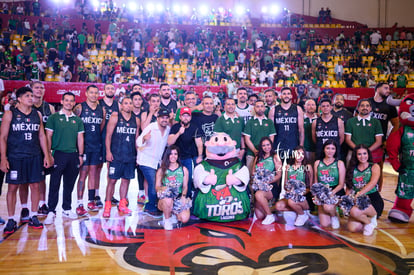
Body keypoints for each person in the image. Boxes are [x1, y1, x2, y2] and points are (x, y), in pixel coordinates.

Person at [1, 87, 52, 234]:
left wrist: (47, 155)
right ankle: (11, 219)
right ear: (20, 99)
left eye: (32, 95)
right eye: (27, 96)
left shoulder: (37, 114)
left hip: (34, 155)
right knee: (12, 188)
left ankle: (33, 215)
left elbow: (42, 136)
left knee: (35, 186)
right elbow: (3, 137)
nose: (31, 98)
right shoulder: (10, 114)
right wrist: (3, 158)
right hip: (16, 156)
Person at [44, 92, 85, 225]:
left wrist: (80, 155)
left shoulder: (77, 120)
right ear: (61, 101)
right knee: (54, 183)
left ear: (74, 103)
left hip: (73, 155)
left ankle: (67, 208)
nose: (69, 103)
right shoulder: (54, 118)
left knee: (69, 183)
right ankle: (51, 211)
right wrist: (49, 154)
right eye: (66, 100)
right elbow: (48, 136)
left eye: (71, 101)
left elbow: (80, 138)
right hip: (58, 153)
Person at [18, 81, 55, 217]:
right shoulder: (23, 106)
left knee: (41, 178)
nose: (39, 90)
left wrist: (49, 152)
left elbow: (52, 130)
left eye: (41, 88)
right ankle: (24, 207)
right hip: (25, 147)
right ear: (31, 90)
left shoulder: (49, 108)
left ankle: (42, 203)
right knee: (24, 180)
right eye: (36, 88)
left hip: (43, 148)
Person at [103, 97, 139, 218]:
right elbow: (108, 136)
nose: (128, 105)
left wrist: (137, 155)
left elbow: (136, 139)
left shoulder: (136, 120)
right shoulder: (115, 117)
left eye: (130, 103)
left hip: (130, 156)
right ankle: (107, 205)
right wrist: (108, 152)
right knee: (112, 180)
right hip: (116, 155)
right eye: (126, 103)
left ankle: (122, 204)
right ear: (121, 105)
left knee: (126, 180)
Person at [73, 85, 105, 216]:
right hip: (83, 147)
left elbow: (101, 127)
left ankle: (91, 200)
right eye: (91, 92)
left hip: (96, 146)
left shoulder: (101, 110)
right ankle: (79, 203)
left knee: (93, 173)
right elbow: (74, 127)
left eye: (96, 93)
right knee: (83, 174)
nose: (94, 95)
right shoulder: (79, 108)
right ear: (86, 93)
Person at [136, 108, 171, 216]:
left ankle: (155, 204)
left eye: (166, 118)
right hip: (145, 161)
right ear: (157, 118)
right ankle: (150, 207)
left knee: (156, 183)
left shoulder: (168, 129)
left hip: (157, 162)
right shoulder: (151, 127)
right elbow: (138, 141)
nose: (164, 120)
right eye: (162, 118)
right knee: (153, 183)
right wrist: (144, 139)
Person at [345, 144, 383, 236]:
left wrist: (359, 193)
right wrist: (345, 202)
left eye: (364, 153)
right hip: (358, 200)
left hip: (373, 200)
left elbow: (373, 183)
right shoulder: (352, 169)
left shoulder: (374, 167)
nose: (362, 156)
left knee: (354, 211)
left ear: (368, 154)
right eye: (359, 154)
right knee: (353, 228)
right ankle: (365, 218)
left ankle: (370, 222)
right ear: (356, 156)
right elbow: (349, 188)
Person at [368, 83, 399, 190]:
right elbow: (355, 119)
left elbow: (397, 124)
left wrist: (389, 139)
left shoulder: (390, 106)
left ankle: (378, 195)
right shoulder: (367, 103)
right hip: (364, 141)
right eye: (385, 88)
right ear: (377, 89)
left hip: (379, 143)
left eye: (389, 88)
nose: (388, 90)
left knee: (378, 169)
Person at [167, 107, 203, 198]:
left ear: (190, 117)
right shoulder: (175, 127)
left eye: (188, 116)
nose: (186, 118)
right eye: (184, 116)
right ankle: (175, 197)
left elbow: (199, 143)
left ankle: (187, 198)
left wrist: (200, 156)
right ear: (180, 117)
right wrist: (179, 133)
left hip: (188, 157)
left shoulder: (194, 127)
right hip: (176, 158)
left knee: (188, 178)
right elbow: (169, 142)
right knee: (175, 178)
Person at [276, 146, 313, 226]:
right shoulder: (288, 167)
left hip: (304, 196)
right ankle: (299, 210)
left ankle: (302, 214)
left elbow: (310, 187)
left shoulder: (308, 167)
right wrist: (290, 191)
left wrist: (299, 194)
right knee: (278, 206)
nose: (300, 156)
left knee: (291, 201)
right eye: (298, 153)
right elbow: (285, 186)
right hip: (292, 195)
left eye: (302, 154)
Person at [155, 145, 190, 230]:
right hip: (165, 198)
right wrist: (163, 189)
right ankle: (167, 219)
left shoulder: (183, 169)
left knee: (184, 218)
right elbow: (157, 187)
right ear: (167, 155)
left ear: (178, 156)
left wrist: (183, 196)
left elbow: (185, 186)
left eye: (175, 154)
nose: (173, 156)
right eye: (171, 154)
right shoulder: (161, 170)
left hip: (177, 198)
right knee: (168, 199)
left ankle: (173, 213)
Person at [313, 139, 346, 229]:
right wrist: (317, 194)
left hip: (335, 190)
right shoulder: (317, 163)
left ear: (336, 150)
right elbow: (316, 182)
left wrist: (331, 193)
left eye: (333, 148)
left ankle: (334, 215)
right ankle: (330, 210)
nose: (330, 151)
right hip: (322, 191)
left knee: (327, 207)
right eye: (328, 148)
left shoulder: (339, 163)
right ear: (324, 149)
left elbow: (341, 184)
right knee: (324, 224)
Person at [252, 137, 282, 224]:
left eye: (268, 145)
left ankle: (270, 215)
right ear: (261, 147)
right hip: (259, 186)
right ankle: (272, 209)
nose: (266, 147)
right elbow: (253, 172)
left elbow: (279, 175)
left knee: (258, 194)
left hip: (271, 186)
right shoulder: (258, 157)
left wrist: (266, 181)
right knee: (259, 216)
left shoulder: (275, 156)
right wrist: (258, 180)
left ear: (271, 145)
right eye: (264, 145)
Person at [98, 83, 120, 205]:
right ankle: (95, 196)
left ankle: (110, 195)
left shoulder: (118, 105)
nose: (110, 90)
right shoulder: (99, 104)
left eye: (112, 88)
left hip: (112, 141)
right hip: (99, 139)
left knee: (110, 169)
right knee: (97, 168)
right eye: (108, 88)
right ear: (104, 90)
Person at [269, 87, 304, 160]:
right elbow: (271, 132)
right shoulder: (273, 110)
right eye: (284, 94)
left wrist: (301, 146)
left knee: (292, 170)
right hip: (278, 145)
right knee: (279, 169)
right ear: (280, 96)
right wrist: (271, 147)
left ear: (291, 96)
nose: (286, 96)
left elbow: (301, 129)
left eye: (288, 94)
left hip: (294, 145)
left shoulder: (298, 109)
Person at [345, 99, 383, 164]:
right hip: (353, 152)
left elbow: (379, 141)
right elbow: (348, 139)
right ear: (358, 108)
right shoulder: (350, 121)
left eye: (367, 106)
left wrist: (366, 152)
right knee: (350, 173)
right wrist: (358, 151)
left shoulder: (376, 122)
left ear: (370, 108)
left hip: (371, 153)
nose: (365, 108)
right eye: (362, 106)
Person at [243, 100, 276, 172]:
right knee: (251, 176)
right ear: (254, 108)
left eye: (262, 106)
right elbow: (247, 139)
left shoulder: (269, 122)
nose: (260, 108)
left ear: (265, 108)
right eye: (257, 106)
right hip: (252, 154)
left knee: (266, 176)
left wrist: (266, 150)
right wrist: (255, 151)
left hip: (267, 155)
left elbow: (271, 138)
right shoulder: (250, 122)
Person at [303, 98, 317, 164]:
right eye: (308, 105)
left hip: (316, 149)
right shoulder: (300, 118)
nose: (311, 107)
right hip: (304, 149)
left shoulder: (320, 118)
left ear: (316, 106)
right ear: (304, 107)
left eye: (313, 105)